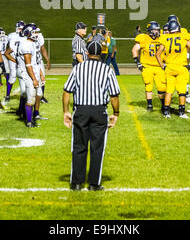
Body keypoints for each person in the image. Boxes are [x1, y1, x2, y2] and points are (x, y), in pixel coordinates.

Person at [62, 39, 120, 191]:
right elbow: (114, 95)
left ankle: (76, 183)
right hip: (99, 111)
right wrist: (116, 113)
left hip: (80, 110)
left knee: (79, 146)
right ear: (101, 53)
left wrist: (66, 111)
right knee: (97, 148)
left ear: (87, 53)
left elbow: (67, 91)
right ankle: (94, 184)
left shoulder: (78, 68)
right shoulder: (107, 70)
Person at [156, 20, 190, 119]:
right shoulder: (183, 36)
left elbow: (157, 54)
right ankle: (181, 112)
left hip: (169, 67)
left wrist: (162, 66)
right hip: (181, 67)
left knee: (169, 91)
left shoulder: (165, 38)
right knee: (182, 91)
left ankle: (166, 112)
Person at [132, 21, 166, 112]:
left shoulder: (162, 38)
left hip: (159, 67)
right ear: (150, 30)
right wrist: (138, 62)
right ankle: (150, 105)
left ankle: (164, 105)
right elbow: (134, 50)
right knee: (148, 86)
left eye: (157, 30)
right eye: (154, 30)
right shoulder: (143, 38)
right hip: (147, 66)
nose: (156, 32)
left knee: (162, 87)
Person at [16, 24, 45, 127]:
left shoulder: (33, 43)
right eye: (35, 32)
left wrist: (41, 74)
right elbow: (28, 65)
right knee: (30, 99)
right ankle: (29, 121)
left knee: (38, 95)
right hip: (29, 75)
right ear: (28, 33)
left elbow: (36, 62)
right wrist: (33, 79)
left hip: (35, 73)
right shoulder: (26, 45)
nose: (36, 34)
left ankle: (32, 117)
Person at [4, 20, 25, 102]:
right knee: (12, 76)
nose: (20, 30)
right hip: (12, 57)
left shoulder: (23, 36)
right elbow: (7, 47)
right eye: (19, 28)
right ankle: (7, 95)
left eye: (21, 28)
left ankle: (25, 94)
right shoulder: (11, 35)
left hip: (22, 58)